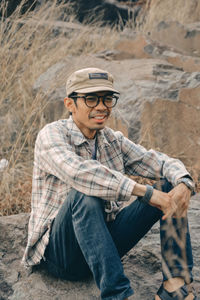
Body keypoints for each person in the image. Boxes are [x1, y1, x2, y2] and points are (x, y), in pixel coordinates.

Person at [22, 67, 198, 300]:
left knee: (169, 187)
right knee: (84, 194)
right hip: (61, 255)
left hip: (103, 247)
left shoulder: (111, 140)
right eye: (91, 99)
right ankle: (118, 295)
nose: (102, 107)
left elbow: (158, 161)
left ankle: (174, 287)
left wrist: (184, 183)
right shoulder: (51, 135)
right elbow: (80, 173)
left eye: (107, 99)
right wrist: (145, 193)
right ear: (70, 104)